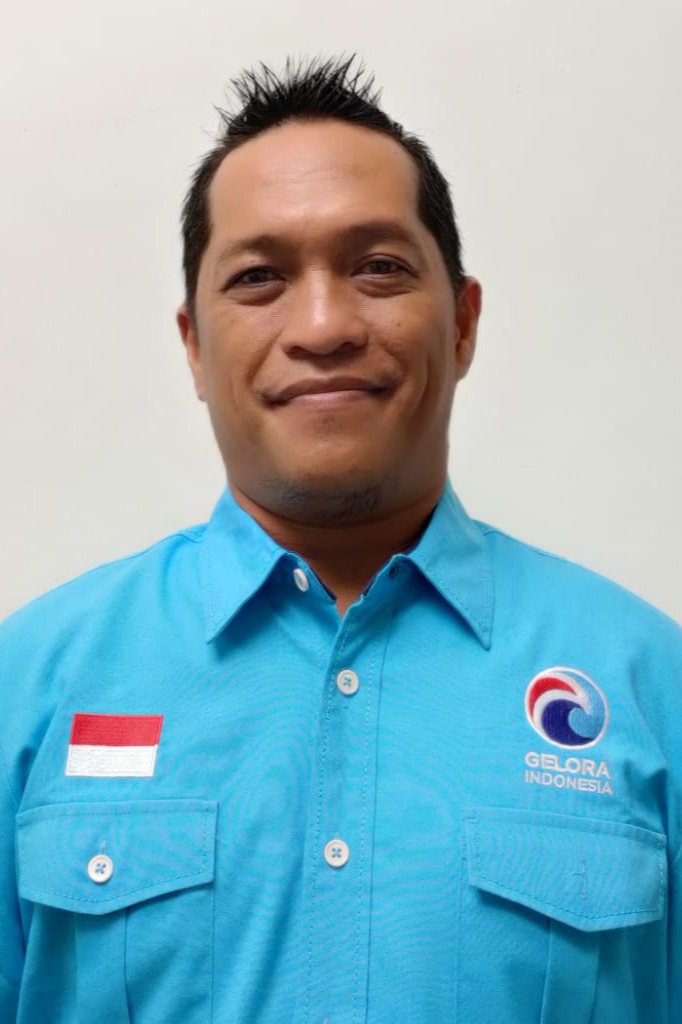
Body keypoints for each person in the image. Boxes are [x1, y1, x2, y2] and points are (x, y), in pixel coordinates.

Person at [1, 55, 680, 1024]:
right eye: (259, 277)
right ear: (194, 345)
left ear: (463, 324)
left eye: (378, 267)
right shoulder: (29, 684)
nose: (322, 327)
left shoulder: (650, 683)